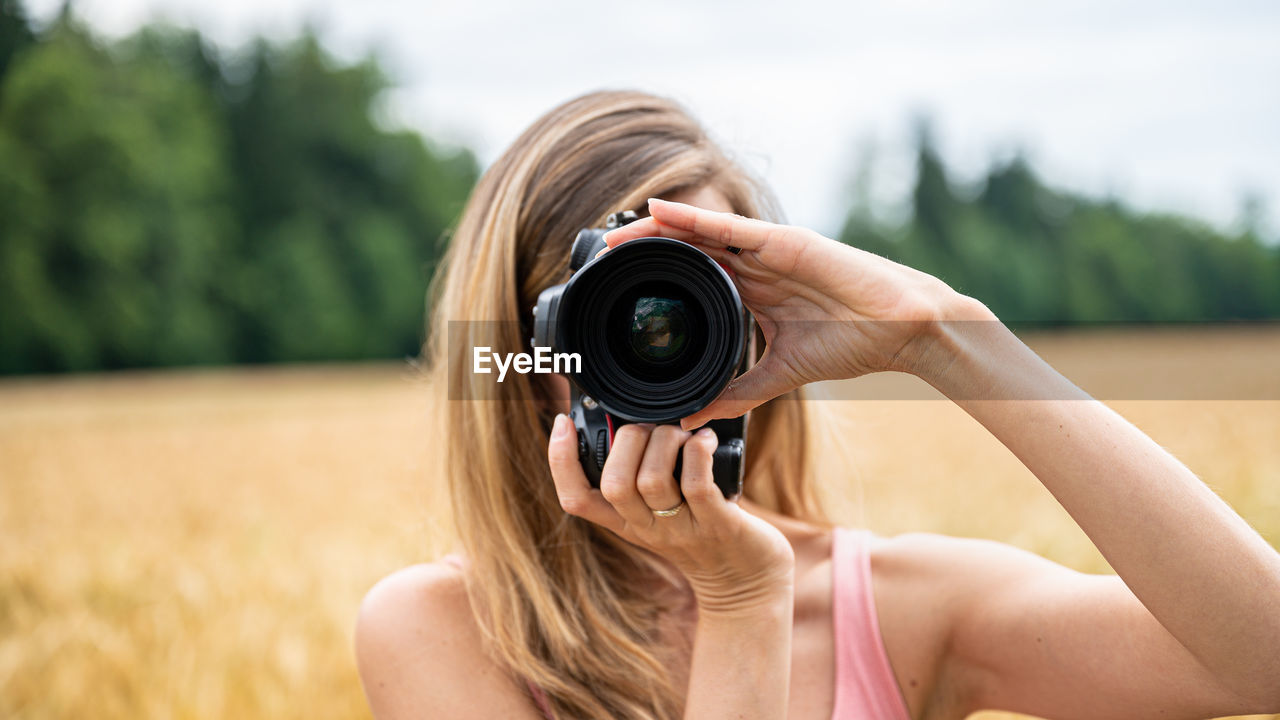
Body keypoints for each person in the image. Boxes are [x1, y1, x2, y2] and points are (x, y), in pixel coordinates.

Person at [354, 90, 1280, 720]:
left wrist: (945, 333)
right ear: (528, 345)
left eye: (696, 302)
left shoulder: (896, 608)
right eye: (608, 314)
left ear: (758, 323)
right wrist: (740, 600)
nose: (652, 340)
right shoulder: (443, 631)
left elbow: (1262, 657)